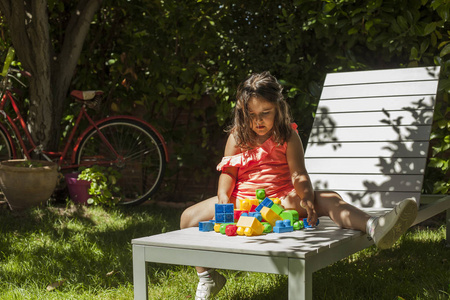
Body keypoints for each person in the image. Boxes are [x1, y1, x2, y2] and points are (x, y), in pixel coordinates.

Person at [180, 71, 418, 300]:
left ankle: (375, 226)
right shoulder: (237, 137)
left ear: (278, 109)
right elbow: (228, 173)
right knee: (187, 217)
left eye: (266, 112)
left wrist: (305, 196)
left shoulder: (287, 136)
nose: (258, 121)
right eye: (251, 114)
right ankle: (208, 277)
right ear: (242, 112)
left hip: (280, 198)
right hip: (242, 200)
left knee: (328, 199)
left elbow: (298, 174)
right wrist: (223, 196)